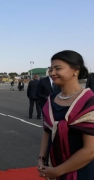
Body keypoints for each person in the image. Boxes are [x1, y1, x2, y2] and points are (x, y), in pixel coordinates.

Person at [38, 50, 94, 180]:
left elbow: (90, 150)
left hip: (82, 169)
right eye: (51, 69)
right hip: (53, 165)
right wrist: (41, 158)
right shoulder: (51, 99)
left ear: (76, 69)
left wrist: (58, 171)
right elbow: (47, 132)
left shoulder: (89, 102)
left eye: (58, 68)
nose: (52, 73)